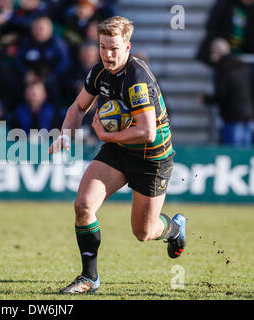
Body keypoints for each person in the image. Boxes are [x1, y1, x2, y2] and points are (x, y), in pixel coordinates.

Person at [49, 16, 187, 294]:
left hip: (152, 157)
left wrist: (106, 135)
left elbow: (147, 132)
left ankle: (175, 228)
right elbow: (78, 108)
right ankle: (89, 278)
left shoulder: (137, 80)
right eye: (103, 47)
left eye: (114, 48)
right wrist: (65, 134)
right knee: (83, 206)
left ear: (127, 47)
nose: (108, 55)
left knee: (143, 232)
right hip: (118, 150)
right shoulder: (99, 72)